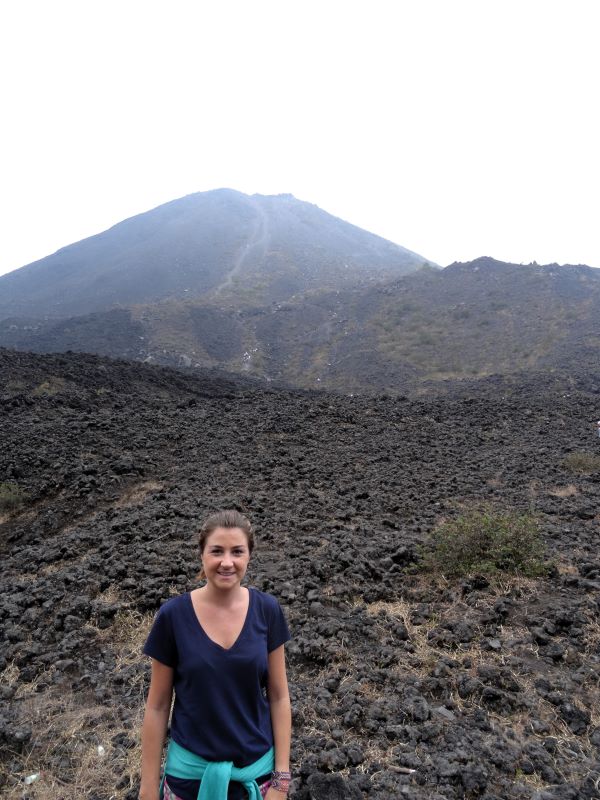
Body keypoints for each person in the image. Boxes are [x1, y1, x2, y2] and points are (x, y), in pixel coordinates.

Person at [139, 510, 292, 800]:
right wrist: (148, 788)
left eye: (237, 552)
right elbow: (157, 706)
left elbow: (279, 696)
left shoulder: (267, 611)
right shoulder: (173, 616)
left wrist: (281, 780)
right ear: (202, 555)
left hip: (256, 778)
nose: (227, 562)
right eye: (217, 551)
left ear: (249, 556)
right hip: (189, 780)